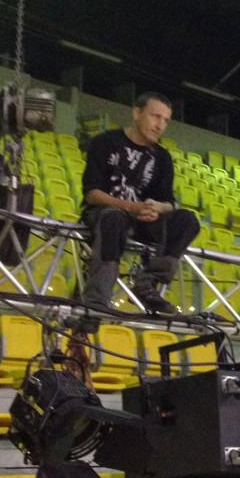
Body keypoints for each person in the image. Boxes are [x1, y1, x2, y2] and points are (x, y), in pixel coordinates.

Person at [80, 92, 200, 314]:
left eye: (166, 120)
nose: (160, 125)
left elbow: (169, 203)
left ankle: (147, 284)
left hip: (143, 220)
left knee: (188, 220)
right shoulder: (105, 142)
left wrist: (157, 208)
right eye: (156, 116)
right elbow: (92, 194)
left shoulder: (162, 157)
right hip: (106, 214)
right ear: (137, 113)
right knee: (113, 217)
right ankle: (96, 300)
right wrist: (131, 207)